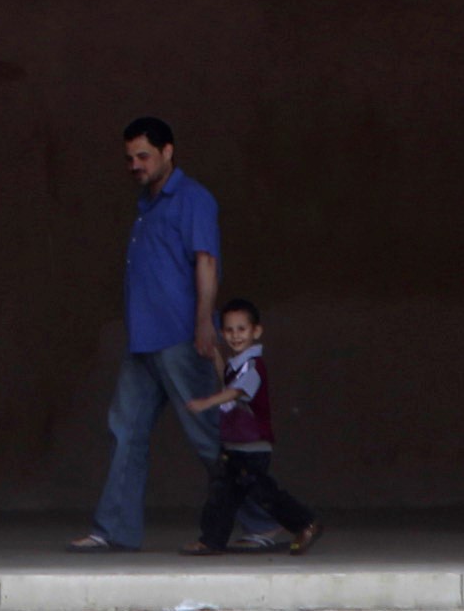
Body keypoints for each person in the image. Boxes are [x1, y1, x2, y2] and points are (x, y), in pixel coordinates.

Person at [70, 116, 220, 551]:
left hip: (180, 336)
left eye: (143, 156)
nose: (135, 165)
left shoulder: (193, 199)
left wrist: (204, 323)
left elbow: (206, 263)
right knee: (126, 430)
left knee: (208, 435)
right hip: (143, 340)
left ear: (168, 151)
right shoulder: (147, 205)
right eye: (130, 158)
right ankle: (114, 529)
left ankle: (261, 521)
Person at [183, 300, 318, 554]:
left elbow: (235, 391)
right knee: (223, 494)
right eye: (230, 330)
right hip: (235, 446)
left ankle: (305, 522)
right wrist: (216, 357)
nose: (235, 335)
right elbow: (228, 380)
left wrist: (207, 402)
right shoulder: (238, 365)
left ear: (256, 331)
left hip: (252, 447)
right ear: (223, 333)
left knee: (264, 493)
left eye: (242, 329)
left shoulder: (254, 367)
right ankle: (211, 541)